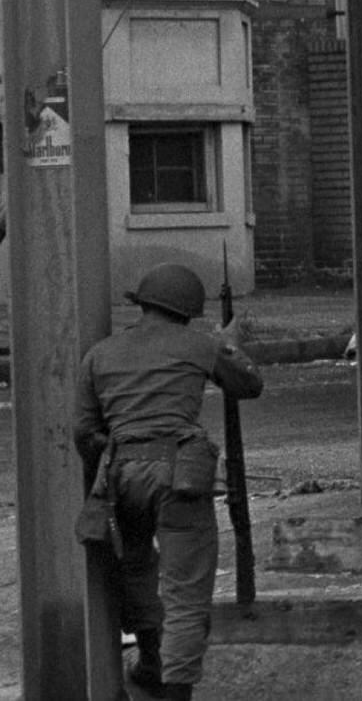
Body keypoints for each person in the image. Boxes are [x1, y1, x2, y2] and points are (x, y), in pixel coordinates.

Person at [73, 262, 263, 701]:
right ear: (188, 311)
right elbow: (251, 386)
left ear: (143, 304)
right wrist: (228, 346)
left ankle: (152, 663)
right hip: (179, 475)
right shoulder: (199, 344)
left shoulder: (99, 354)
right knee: (185, 590)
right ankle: (175, 692)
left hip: (121, 476)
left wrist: (123, 455)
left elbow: (84, 432)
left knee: (137, 567)